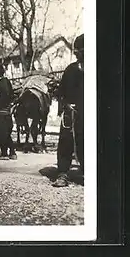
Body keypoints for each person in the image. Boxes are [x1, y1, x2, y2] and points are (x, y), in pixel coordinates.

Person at [52, 34, 84, 187]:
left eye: (80, 50)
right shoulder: (70, 70)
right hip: (71, 113)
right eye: (77, 51)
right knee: (66, 141)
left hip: (90, 113)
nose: (77, 53)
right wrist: (66, 105)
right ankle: (63, 173)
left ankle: (88, 171)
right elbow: (61, 92)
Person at [0, 64, 16, 160]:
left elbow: (2, 96)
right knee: (6, 133)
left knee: (1, 133)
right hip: (6, 112)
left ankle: (4, 154)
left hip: (0, 112)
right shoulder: (7, 81)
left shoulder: (1, 83)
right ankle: (12, 153)